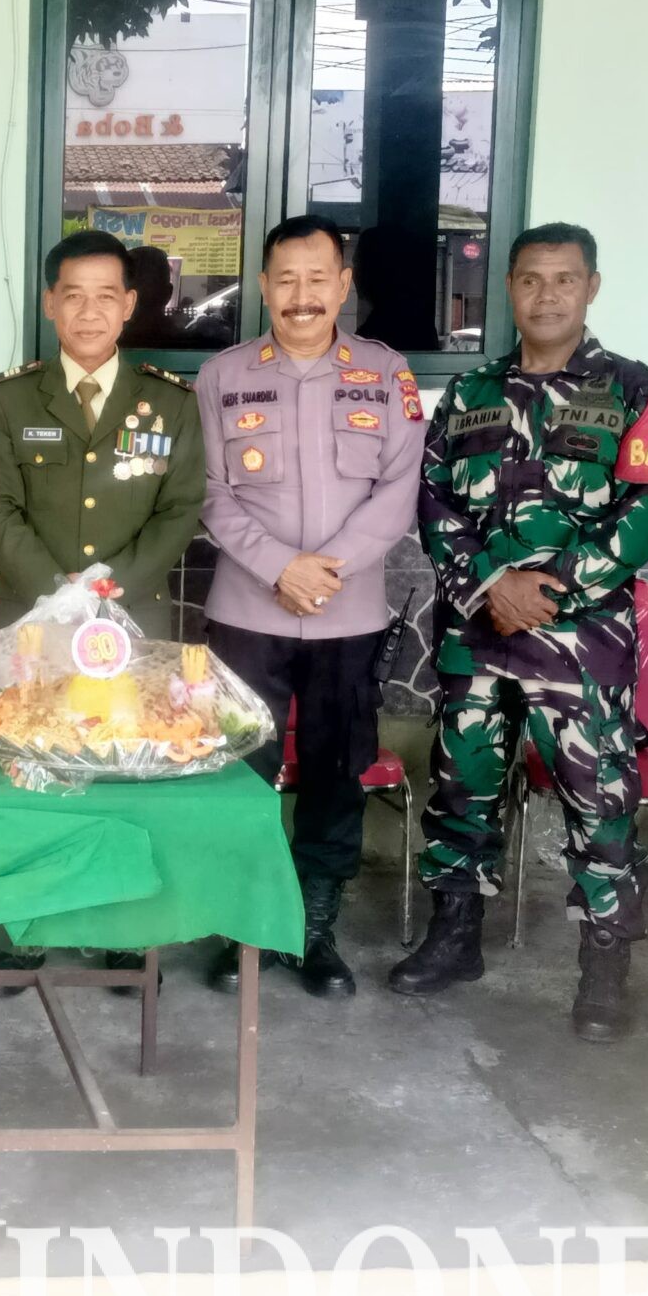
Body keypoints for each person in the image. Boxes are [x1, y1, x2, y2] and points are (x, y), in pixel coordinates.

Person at [394, 223, 648, 1038]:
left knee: (599, 800)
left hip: (581, 640)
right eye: (530, 279)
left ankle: (604, 964)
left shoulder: (638, 389)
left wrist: (551, 593)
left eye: (564, 279)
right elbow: (433, 499)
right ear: (508, 289)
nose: (547, 295)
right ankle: (456, 936)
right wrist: (493, 584)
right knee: (463, 787)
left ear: (592, 288)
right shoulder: (470, 391)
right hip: (478, 631)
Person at [193, 213, 421, 999]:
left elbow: (399, 491)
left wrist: (327, 572)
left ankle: (313, 929)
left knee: (335, 773)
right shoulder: (222, 376)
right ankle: (243, 927)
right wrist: (280, 568)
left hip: (348, 617)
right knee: (240, 774)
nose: (301, 295)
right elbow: (210, 494)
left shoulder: (386, 374)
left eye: (317, 278)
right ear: (262, 286)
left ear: (343, 285)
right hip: (247, 613)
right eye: (285, 279)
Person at [0, 227, 207, 986]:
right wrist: (61, 592)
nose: (88, 312)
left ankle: (124, 929)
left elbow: (179, 510)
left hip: (133, 621)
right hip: (32, 621)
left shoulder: (170, 403)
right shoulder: (10, 399)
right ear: (49, 303)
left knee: (124, 768)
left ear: (130, 305)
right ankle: (22, 927)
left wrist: (108, 592)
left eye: (106, 296)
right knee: (29, 769)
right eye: (72, 295)